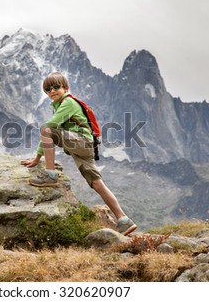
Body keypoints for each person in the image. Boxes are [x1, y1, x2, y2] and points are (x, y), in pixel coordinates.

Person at [20, 72, 137, 236]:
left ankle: (50, 175)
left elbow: (50, 127)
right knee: (97, 184)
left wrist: (38, 158)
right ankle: (124, 220)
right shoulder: (62, 103)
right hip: (84, 146)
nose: (52, 91)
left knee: (47, 129)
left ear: (66, 88)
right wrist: (37, 157)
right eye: (48, 89)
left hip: (81, 142)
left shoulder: (68, 103)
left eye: (56, 87)